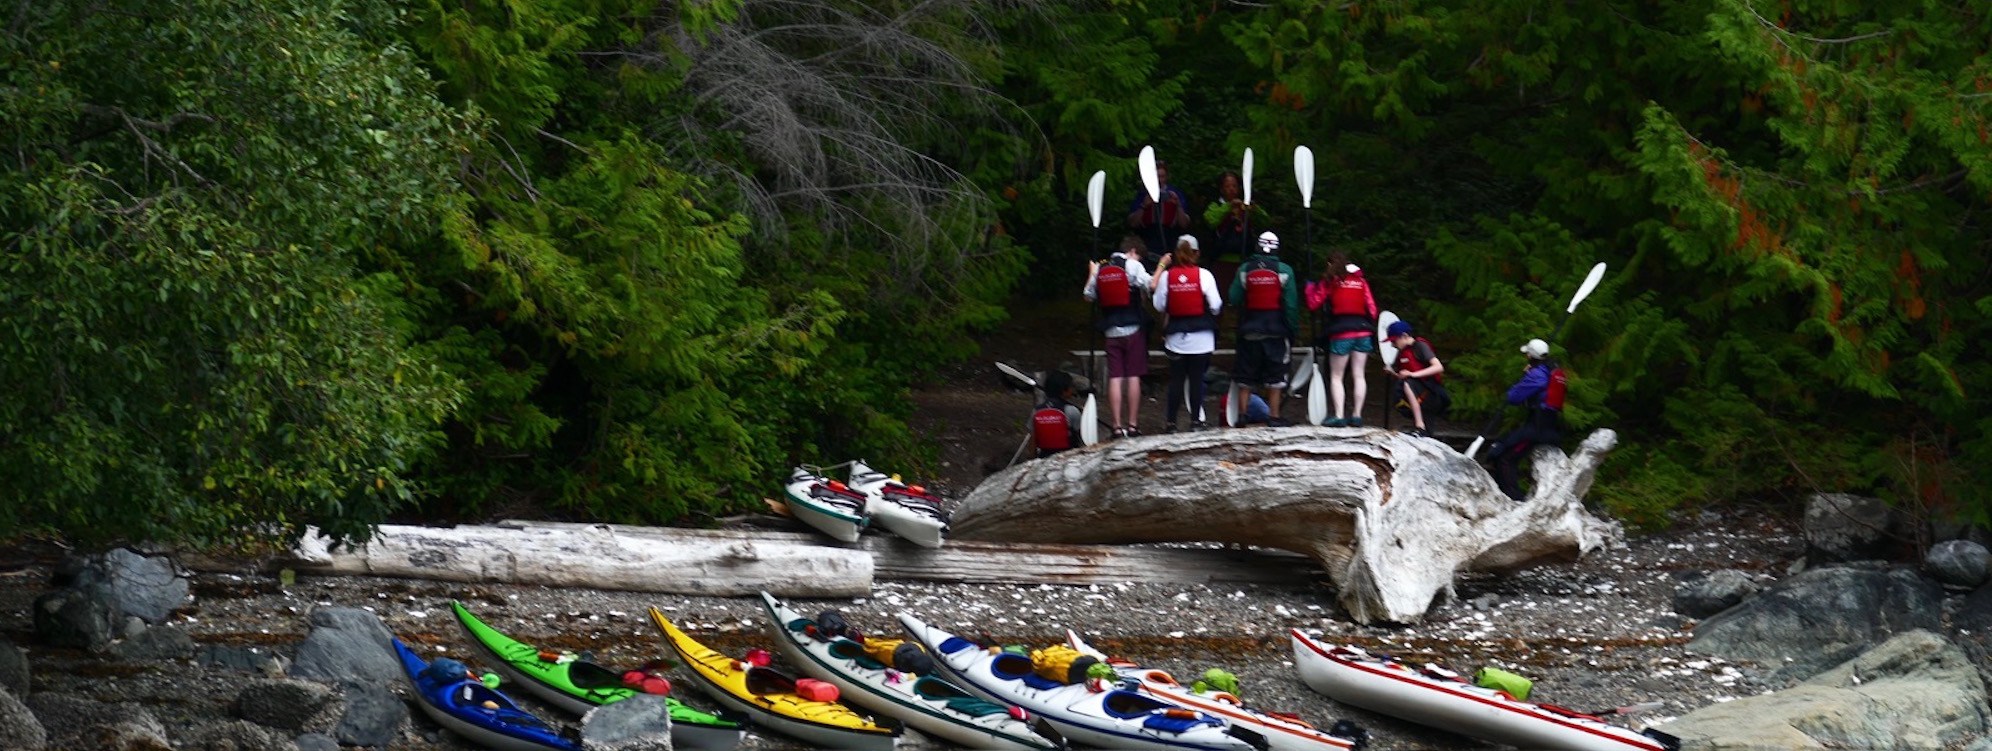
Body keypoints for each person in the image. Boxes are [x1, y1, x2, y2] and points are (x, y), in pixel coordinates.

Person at [1225, 231, 1299, 427]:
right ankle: (1274, 417)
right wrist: (1293, 329)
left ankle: (1242, 415)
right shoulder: (1285, 270)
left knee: (1245, 375)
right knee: (1276, 374)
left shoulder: (1244, 269)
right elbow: (1291, 305)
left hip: (1249, 329)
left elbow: (1233, 298)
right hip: (1276, 331)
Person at [1085, 235, 1154, 438]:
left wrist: (1091, 273)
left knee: (1115, 377)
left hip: (1110, 331)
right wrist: (1161, 266)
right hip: (1133, 328)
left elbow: (1088, 296)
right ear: (1133, 251)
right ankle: (1132, 425)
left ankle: (1116, 426)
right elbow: (1150, 285)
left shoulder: (1102, 268)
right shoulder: (1133, 265)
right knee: (1133, 376)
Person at [1151, 235, 1221, 432]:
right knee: (1197, 379)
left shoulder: (1167, 276)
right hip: (1202, 338)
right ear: (1196, 253)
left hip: (1176, 338)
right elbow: (1216, 306)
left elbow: (1158, 305)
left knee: (1176, 380)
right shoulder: (1205, 275)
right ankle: (1195, 422)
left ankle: (1171, 423)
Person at [1485, 338, 1566, 500]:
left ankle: (1513, 499)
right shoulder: (1553, 370)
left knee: (1502, 456)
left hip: (1537, 429)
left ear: (1530, 356)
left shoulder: (1537, 375)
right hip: (1549, 425)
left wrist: (1526, 376)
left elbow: (1513, 397)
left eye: (1527, 353)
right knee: (1504, 449)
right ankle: (1511, 495)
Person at [1306, 251, 1378, 427]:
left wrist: (1309, 289)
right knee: (1359, 375)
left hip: (1341, 333)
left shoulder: (1330, 281)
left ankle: (1339, 415)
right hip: (1363, 332)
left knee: (1336, 376)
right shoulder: (1361, 281)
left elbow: (1313, 303)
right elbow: (1373, 310)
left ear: (1330, 264)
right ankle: (1357, 415)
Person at [1201, 170, 1266, 290]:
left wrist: (1254, 210)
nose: (1231, 189)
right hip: (1221, 259)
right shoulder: (1216, 206)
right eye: (1227, 186)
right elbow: (1210, 220)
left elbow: (1265, 221)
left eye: (1234, 186)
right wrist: (1229, 206)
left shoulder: (1245, 206)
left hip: (1245, 259)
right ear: (1221, 189)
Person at [1384, 320, 1449, 438]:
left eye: (1394, 341)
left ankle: (1420, 426)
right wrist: (1393, 373)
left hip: (1432, 394)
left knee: (1408, 383)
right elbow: (1406, 377)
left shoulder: (1420, 346)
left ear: (1404, 336)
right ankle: (1420, 429)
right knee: (1427, 435)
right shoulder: (1403, 353)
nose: (1393, 345)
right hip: (1419, 394)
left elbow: (1438, 367)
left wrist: (1413, 375)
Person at [1125, 160, 1192, 257]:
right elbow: (1132, 223)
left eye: (1162, 176)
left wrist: (1177, 205)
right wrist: (1144, 205)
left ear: (1167, 177)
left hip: (1169, 237)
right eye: (1157, 177)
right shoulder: (1143, 194)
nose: (1159, 180)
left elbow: (1184, 224)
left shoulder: (1175, 193)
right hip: (1147, 237)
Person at [1030, 370, 1085, 459]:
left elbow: (1033, 439)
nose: (1073, 390)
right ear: (1064, 391)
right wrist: (1083, 416)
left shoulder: (1037, 410)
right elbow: (1081, 435)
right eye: (1071, 387)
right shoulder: (1071, 410)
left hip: (1043, 457)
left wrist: (1032, 459)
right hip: (1068, 457)